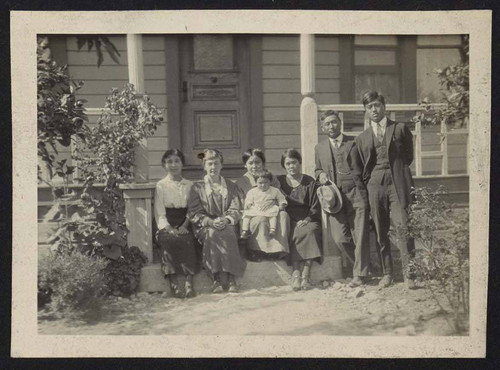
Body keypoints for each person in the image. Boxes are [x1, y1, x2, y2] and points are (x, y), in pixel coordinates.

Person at [355, 91, 416, 289]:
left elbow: (408, 156)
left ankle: (410, 275)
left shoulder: (399, 129)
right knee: (381, 230)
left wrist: (396, 172)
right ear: (365, 110)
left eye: (377, 105)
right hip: (375, 185)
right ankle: (387, 273)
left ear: (384, 106)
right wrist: (371, 183)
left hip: (397, 182)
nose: (374, 110)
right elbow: (361, 165)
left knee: (403, 226)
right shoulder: (362, 138)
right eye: (369, 107)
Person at [315, 110, 371, 288]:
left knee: (360, 234)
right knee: (340, 237)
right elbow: (316, 170)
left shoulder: (354, 142)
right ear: (323, 128)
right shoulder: (320, 148)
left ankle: (359, 274)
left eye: (334, 122)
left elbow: (367, 167)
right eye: (327, 124)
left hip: (356, 193)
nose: (332, 126)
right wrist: (321, 174)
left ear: (340, 123)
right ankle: (363, 267)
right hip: (335, 199)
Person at [188, 149, 246, 293]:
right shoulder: (197, 188)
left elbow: (236, 208)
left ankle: (232, 278)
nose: (213, 167)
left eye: (216, 163)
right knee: (213, 233)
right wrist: (209, 221)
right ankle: (216, 279)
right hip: (205, 226)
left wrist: (226, 219)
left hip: (227, 224)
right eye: (210, 164)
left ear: (221, 165)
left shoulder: (231, 186)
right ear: (204, 166)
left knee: (227, 232)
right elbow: (194, 212)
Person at [154, 149, 200, 298]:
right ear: (164, 165)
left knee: (187, 240)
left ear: (182, 164)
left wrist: (185, 226)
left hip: (185, 221)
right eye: (169, 162)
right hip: (167, 221)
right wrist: (168, 228)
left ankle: (188, 282)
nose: (173, 165)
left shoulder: (189, 185)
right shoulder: (161, 185)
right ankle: (174, 283)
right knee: (168, 240)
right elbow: (160, 211)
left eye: (176, 161)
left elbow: (192, 209)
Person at [277, 149, 322, 291]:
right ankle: (296, 272)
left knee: (310, 231)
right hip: (289, 218)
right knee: (294, 231)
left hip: (309, 217)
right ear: (284, 165)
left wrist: (308, 218)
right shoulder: (279, 182)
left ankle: (306, 274)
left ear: (300, 163)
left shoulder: (309, 181)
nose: (291, 166)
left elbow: (316, 205)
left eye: (294, 162)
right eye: (288, 163)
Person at [235, 148, 290, 261]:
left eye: (257, 162)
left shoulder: (270, 178)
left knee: (283, 216)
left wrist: (272, 202)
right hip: (253, 214)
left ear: (263, 163)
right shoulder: (241, 182)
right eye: (250, 163)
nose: (254, 166)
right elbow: (242, 205)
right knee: (260, 219)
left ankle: (278, 250)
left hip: (271, 209)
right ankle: (257, 250)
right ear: (245, 165)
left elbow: (279, 194)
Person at [240, 170, 287, 240]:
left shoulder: (275, 190)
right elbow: (248, 199)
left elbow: (281, 198)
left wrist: (282, 204)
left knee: (273, 215)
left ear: (270, 182)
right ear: (256, 183)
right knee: (247, 215)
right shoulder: (253, 191)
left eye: (266, 182)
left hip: (269, 208)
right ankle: (245, 230)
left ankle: (272, 229)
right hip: (256, 208)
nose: (263, 185)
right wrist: (249, 204)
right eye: (260, 183)